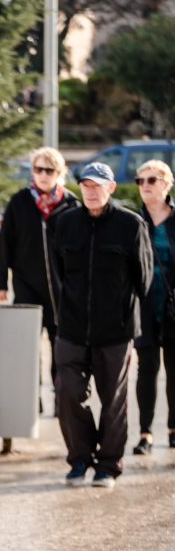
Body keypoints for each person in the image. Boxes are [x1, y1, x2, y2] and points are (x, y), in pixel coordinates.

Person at [53, 162, 151, 488]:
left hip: (115, 331)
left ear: (111, 188)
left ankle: (108, 465)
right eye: (86, 185)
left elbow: (143, 279)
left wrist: (121, 312)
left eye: (98, 185)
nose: (91, 191)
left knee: (114, 402)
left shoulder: (131, 224)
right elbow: (59, 272)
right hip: (72, 328)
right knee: (67, 393)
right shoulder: (64, 222)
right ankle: (80, 458)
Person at [0, 147, 81, 412]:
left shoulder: (71, 204)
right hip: (26, 287)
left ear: (59, 172)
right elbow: (5, 244)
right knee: (28, 349)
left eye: (49, 170)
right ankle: (33, 400)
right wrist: (1, 283)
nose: (43, 175)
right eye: (38, 169)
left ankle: (60, 400)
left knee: (61, 349)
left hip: (62, 291)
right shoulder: (19, 202)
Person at [132, 160, 175, 455]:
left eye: (151, 180)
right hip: (144, 307)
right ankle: (145, 433)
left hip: (172, 308)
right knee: (146, 369)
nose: (145, 186)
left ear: (167, 184)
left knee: (174, 370)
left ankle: (173, 430)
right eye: (140, 181)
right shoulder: (133, 221)